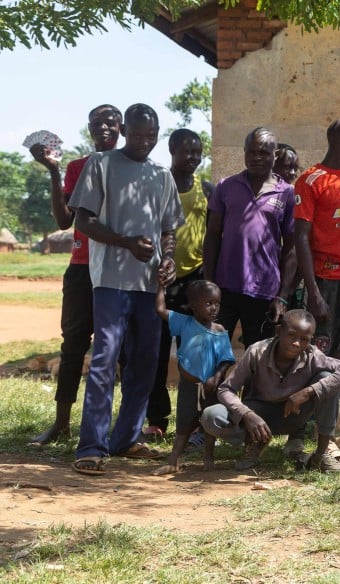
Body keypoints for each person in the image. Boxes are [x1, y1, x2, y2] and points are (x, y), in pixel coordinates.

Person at [68, 103, 184, 475]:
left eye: (151, 137)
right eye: (137, 135)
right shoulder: (101, 165)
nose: (144, 142)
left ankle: (127, 438)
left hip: (149, 286)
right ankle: (91, 446)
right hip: (111, 282)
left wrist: (168, 259)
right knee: (105, 359)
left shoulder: (162, 175)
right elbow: (83, 221)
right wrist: (125, 242)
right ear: (124, 130)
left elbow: (169, 229)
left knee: (146, 363)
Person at [28, 103, 122, 445]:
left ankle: (119, 427)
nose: (103, 128)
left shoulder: (130, 166)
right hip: (82, 268)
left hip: (117, 269)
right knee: (73, 346)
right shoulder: (78, 166)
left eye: (110, 122)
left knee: (117, 349)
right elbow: (64, 221)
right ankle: (61, 423)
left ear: (121, 128)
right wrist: (53, 172)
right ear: (89, 128)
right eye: (97, 123)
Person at [200, 310, 340, 472]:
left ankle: (321, 454)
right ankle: (256, 443)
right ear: (278, 331)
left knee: (327, 378)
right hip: (257, 416)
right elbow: (225, 389)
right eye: (291, 335)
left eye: (304, 339)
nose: (297, 343)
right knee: (210, 416)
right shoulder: (257, 351)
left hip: (293, 415)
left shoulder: (313, 355)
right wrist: (247, 414)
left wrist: (308, 392)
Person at [146, 128, 212, 439]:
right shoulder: (159, 185)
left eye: (198, 152)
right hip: (163, 280)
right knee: (158, 352)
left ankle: (192, 420)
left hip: (194, 281)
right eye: (187, 152)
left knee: (192, 354)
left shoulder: (206, 189)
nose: (194, 158)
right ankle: (157, 418)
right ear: (172, 149)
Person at [205, 127, 296, 347]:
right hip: (224, 288)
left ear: (275, 155)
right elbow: (212, 236)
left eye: (264, 152)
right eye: (251, 152)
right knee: (214, 355)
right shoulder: (226, 186)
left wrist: (282, 295)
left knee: (258, 362)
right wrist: (209, 283)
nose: (257, 157)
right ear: (244, 152)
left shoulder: (287, 193)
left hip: (264, 291)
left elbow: (291, 249)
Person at [292, 119, 340, 357]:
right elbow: (301, 238)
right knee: (319, 351)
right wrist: (313, 293)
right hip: (326, 281)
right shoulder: (310, 181)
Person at [151, 280, 235, 476]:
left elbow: (227, 359)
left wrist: (216, 377)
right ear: (193, 305)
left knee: (208, 425)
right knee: (183, 424)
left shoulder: (220, 331)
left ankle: (208, 457)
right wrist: (160, 286)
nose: (214, 308)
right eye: (208, 303)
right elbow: (160, 309)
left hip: (210, 386)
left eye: (217, 303)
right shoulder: (184, 322)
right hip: (188, 385)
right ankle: (173, 461)